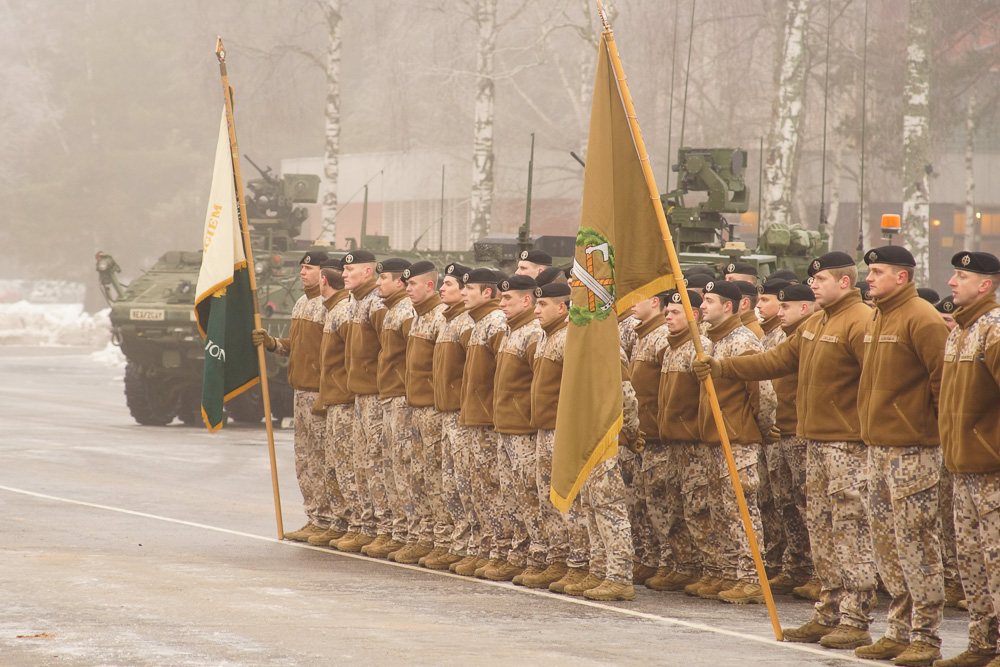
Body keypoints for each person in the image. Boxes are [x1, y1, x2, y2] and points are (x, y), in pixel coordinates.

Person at [694, 251, 878, 648]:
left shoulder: (861, 320)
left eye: (821, 280)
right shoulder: (817, 321)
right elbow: (776, 360)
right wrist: (722, 367)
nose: (813, 285)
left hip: (848, 445)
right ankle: (828, 612)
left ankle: (856, 617)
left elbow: (876, 381)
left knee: (850, 533)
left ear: (844, 283)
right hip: (817, 443)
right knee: (823, 532)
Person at [852, 246, 948, 666]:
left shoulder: (921, 317)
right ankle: (898, 629)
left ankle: (926, 636)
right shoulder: (879, 314)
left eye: (877, 271)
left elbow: (943, 383)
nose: (868, 278)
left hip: (913, 451)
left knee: (916, 545)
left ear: (902, 277)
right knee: (887, 546)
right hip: (878, 449)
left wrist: (933, 434)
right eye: (869, 271)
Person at [936, 251, 1000, 667]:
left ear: (985, 285)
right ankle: (981, 644)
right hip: (962, 466)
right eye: (954, 274)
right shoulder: (960, 331)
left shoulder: (993, 330)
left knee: (996, 563)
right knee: (972, 564)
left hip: (991, 468)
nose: (953, 282)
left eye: (962, 275)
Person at [694, 280, 775, 604]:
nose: (702, 305)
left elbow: (764, 395)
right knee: (721, 509)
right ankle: (730, 572)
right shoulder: (709, 341)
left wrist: (758, 430)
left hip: (737, 439)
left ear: (728, 306)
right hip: (714, 438)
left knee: (743, 510)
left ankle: (752, 578)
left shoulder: (742, 341)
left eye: (709, 300)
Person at [252, 250, 332, 543]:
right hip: (300, 391)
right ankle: (314, 516)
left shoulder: (330, 304)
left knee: (324, 459)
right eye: (301, 267)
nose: (302, 272)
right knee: (304, 460)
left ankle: (330, 519)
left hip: (320, 393)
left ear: (324, 273)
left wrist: (327, 391)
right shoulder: (301, 303)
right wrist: (274, 343)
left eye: (309, 268)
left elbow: (334, 355)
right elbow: (297, 346)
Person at [528, 281, 588, 591]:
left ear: (562, 307)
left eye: (543, 305)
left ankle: (579, 563)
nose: (536, 310)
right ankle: (559, 560)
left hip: (563, 431)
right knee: (546, 498)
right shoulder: (545, 337)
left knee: (568, 500)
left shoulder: (569, 339)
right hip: (544, 430)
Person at [568, 350, 641, 602]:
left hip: (606, 439)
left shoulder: (606, 345)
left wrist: (630, 433)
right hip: (588, 439)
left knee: (610, 509)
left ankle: (619, 577)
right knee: (591, 507)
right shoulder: (584, 345)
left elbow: (627, 398)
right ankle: (599, 570)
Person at [649, 290, 709, 593]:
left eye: (675, 312)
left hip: (694, 444)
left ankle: (708, 568)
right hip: (672, 441)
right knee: (674, 507)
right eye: (667, 312)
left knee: (699, 509)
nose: (668, 317)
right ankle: (683, 565)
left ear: (694, 316)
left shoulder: (700, 347)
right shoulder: (673, 348)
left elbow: (707, 401)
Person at [763, 284, 817, 595]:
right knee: (787, 504)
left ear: (805, 308)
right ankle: (796, 565)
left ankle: (819, 573)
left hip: (800, 432)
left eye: (785, 307)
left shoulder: (808, 337)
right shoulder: (784, 337)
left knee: (808, 504)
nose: (778, 313)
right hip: (781, 430)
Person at [491, 275, 545, 582]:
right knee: (511, 495)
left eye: (507, 299)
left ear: (527, 300)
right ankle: (519, 553)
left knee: (529, 495)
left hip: (524, 429)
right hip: (506, 428)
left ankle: (539, 556)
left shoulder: (533, 333)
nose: (501, 304)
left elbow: (537, 386)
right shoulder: (513, 332)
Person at [458, 268, 510, 577]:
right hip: (475, 418)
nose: (464, 293)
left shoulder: (495, 324)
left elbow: (501, 378)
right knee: (478, 488)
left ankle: (501, 552)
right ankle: (487, 549)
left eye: (469, 288)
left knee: (492, 488)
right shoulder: (479, 323)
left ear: (487, 293)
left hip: (489, 421)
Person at [365, 258, 417, 560]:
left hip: (401, 398)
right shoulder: (393, 310)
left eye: (382, 278)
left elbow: (414, 359)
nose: (378, 282)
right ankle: (397, 532)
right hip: (389, 396)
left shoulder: (406, 311)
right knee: (389, 468)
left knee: (404, 470)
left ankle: (406, 533)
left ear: (399, 282)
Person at [400, 261, 450, 565]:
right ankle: (425, 537)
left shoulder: (439, 316)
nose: (408, 290)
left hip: (432, 409)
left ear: (429, 286)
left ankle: (441, 541)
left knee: (434, 476)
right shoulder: (418, 316)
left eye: (412, 285)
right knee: (417, 474)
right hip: (415, 407)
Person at [430, 263, 478, 573]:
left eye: (448, 284)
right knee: (450, 483)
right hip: (446, 413)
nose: (441, 289)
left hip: (462, 415)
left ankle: (470, 546)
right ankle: (458, 544)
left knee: (466, 484)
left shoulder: (466, 324)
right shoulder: (447, 320)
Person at [621, 291, 669, 586]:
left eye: (639, 297)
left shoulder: (661, 336)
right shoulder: (642, 335)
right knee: (640, 503)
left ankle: (669, 562)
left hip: (656, 434)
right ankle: (648, 558)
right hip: (640, 433)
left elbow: (668, 389)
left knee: (660, 504)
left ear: (655, 302)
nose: (631, 302)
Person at [338, 250, 385, 553]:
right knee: (362, 464)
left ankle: (382, 528)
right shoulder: (355, 303)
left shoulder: (376, 303)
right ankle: (366, 526)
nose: (344, 273)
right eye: (343, 269)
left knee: (377, 464)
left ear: (368, 273)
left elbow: (390, 350)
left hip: (377, 396)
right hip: (360, 395)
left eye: (350, 269)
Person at [310, 258, 354, 547]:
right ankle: (338, 521)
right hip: (333, 398)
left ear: (323, 280)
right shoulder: (335, 309)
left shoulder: (345, 310)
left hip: (345, 400)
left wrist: (341, 392)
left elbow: (356, 358)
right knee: (332, 465)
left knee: (348, 465)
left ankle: (351, 522)